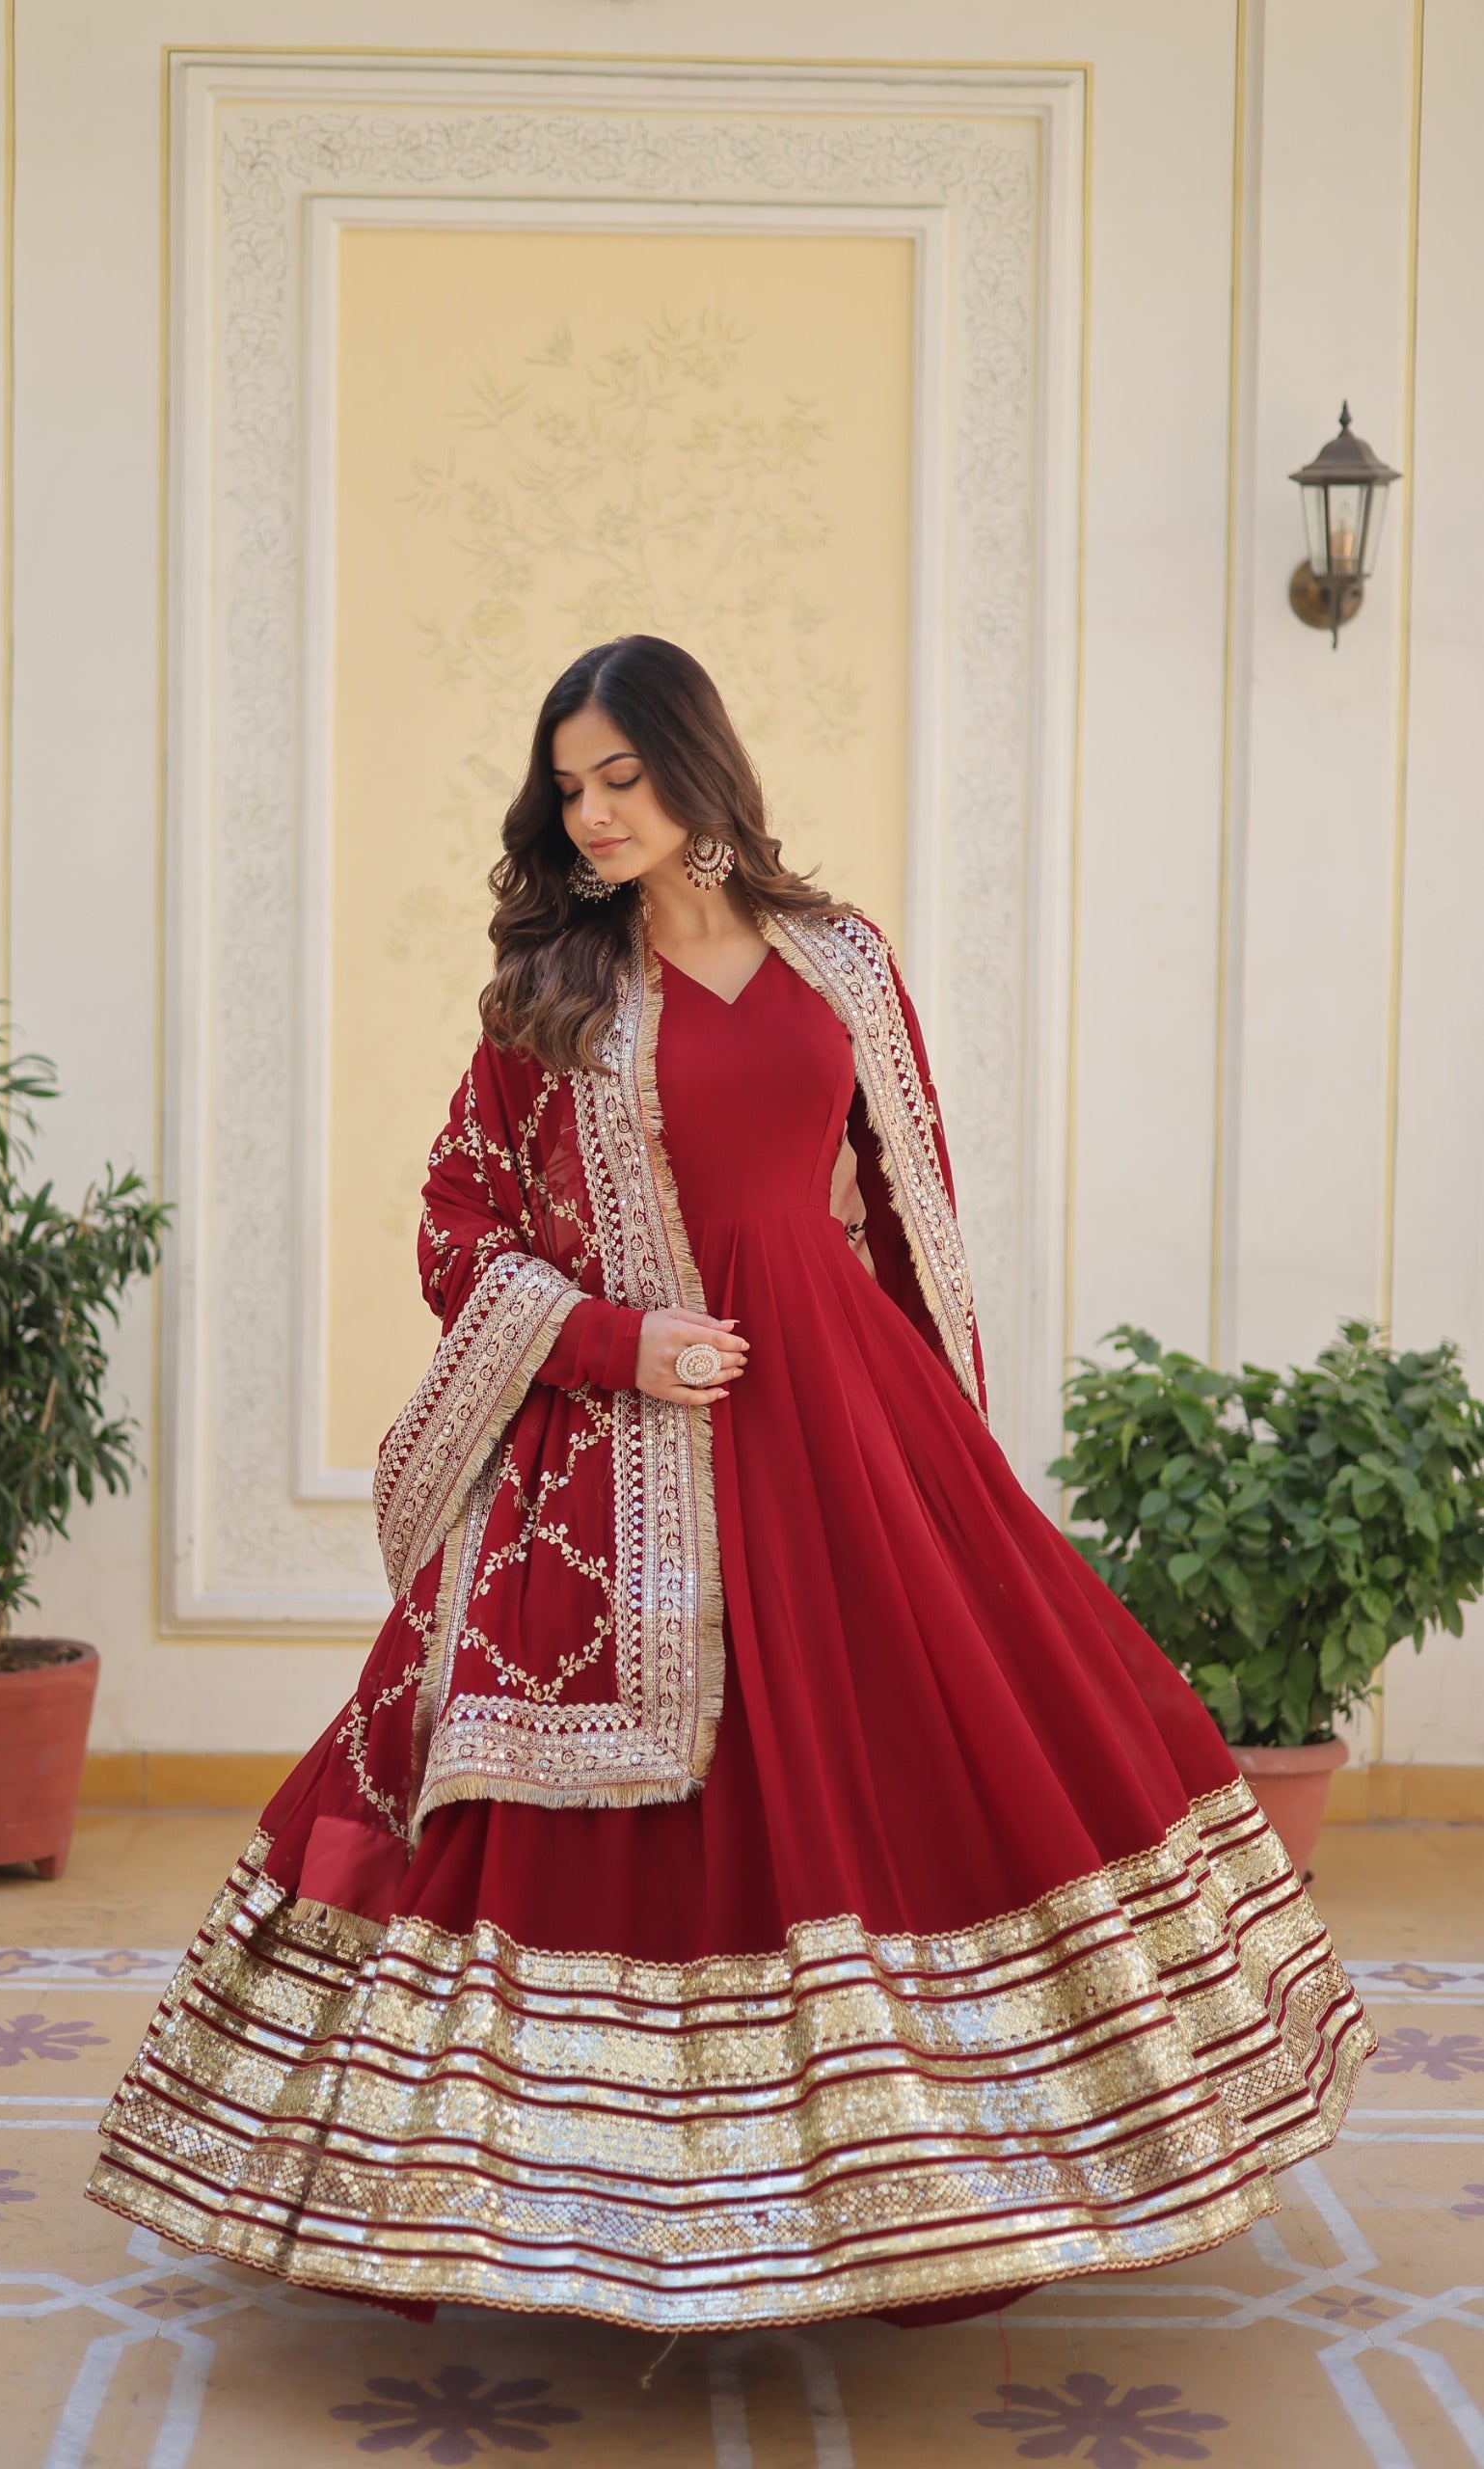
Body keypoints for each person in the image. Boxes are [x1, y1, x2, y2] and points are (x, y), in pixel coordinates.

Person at [88, 635, 1370, 2331]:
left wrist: (938, 1464)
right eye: (569, 788)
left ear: (698, 767)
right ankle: (560, 2197)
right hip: (631, 1453)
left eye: (623, 777)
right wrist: (621, 1344)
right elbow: (454, 1231)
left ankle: (927, 2183)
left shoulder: (842, 961)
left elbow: (913, 1213)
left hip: (846, 1419)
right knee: (623, 1820)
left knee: (915, 1762)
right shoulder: (552, 993)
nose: (596, 814)